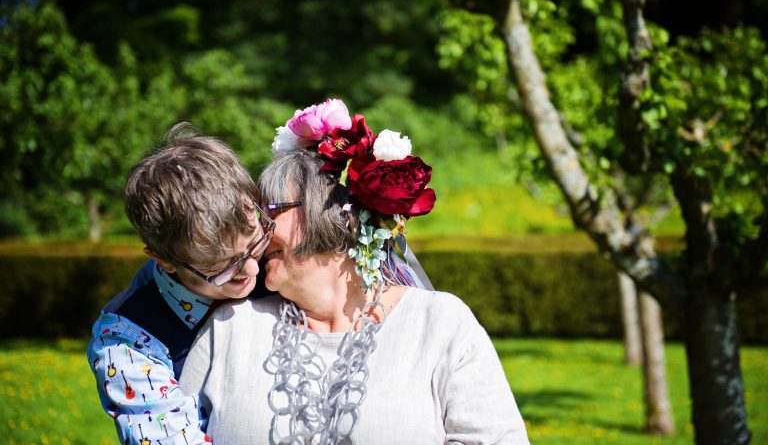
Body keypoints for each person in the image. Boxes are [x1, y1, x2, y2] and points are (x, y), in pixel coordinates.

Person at [180, 99, 530, 444]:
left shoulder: (439, 324)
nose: (259, 231)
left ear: (336, 212)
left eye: (272, 210)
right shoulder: (230, 329)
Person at [86, 123, 275, 444]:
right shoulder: (127, 342)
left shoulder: (278, 257)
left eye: (255, 244)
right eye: (222, 268)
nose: (254, 270)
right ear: (164, 260)